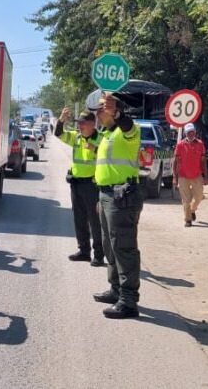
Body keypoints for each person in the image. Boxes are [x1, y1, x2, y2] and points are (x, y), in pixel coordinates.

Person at [91, 92, 143, 319]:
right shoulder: (107, 135)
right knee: (109, 245)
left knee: (123, 247)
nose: (98, 114)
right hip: (106, 195)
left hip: (122, 196)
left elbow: (129, 127)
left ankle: (129, 300)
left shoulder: (127, 131)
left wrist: (119, 113)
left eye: (101, 109)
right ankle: (115, 289)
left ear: (113, 111)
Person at [55, 107, 103, 266]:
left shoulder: (101, 139)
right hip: (76, 184)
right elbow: (59, 134)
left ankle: (99, 254)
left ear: (92, 124)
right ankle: (84, 251)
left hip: (92, 184)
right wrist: (61, 119)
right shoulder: (76, 137)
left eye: (83, 123)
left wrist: (96, 149)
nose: (80, 126)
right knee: (79, 219)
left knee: (95, 221)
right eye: (79, 123)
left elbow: (110, 157)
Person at [173, 123, 208, 227]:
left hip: (197, 175)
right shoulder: (180, 145)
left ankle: (192, 210)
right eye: (188, 132)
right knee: (186, 200)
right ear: (185, 133)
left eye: (192, 132)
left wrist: (206, 176)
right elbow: (175, 161)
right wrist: (175, 177)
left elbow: (203, 161)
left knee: (199, 197)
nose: (191, 134)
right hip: (183, 176)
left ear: (195, 132)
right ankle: (188, 219)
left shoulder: (200, 144)